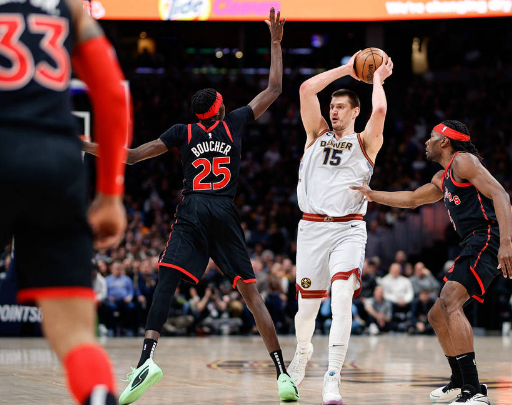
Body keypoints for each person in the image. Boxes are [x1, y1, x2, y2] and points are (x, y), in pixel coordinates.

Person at [83, 8, 298, 403]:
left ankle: (146, 361)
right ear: (218, 107)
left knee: (167, 277)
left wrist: (84, 144)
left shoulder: (182, 132)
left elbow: (129, 156)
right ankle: (284, 375)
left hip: (195, 208)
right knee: (251, 294)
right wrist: (275, 42)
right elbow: (274, 88)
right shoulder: (234, 121)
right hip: (225, 210)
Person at [0, 0, 129, 403]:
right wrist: (110, 194)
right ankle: (96, 396)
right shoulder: (69, 5)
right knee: (76, 337)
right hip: (54, 163)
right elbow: (111, 93)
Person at [352, 120, 512, 405]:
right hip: (471, 244)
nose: (426, 141)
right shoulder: (443, 177)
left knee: (450, 302)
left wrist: (506, 243)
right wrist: (371, 194)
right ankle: (460, 379)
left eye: (432, 136)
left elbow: (501, 194)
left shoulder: (463, 161)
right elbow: (412, 199)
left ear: (445, 142)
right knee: (436, 315)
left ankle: (474, 389)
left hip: (486, 239)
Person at [287, 49, 393, 404]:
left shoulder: (365, 142)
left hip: (349, 228)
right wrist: (347, 69)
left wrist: (376, 79)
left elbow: (379, 110)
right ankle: (303, 351)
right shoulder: (315, 133)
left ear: (354, 111)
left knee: (343, 296)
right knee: (306, 312)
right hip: (311, 230)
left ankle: (333, 375)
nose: (333, 111)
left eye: (341, 106)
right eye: (331, 106)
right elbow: (305, 90)